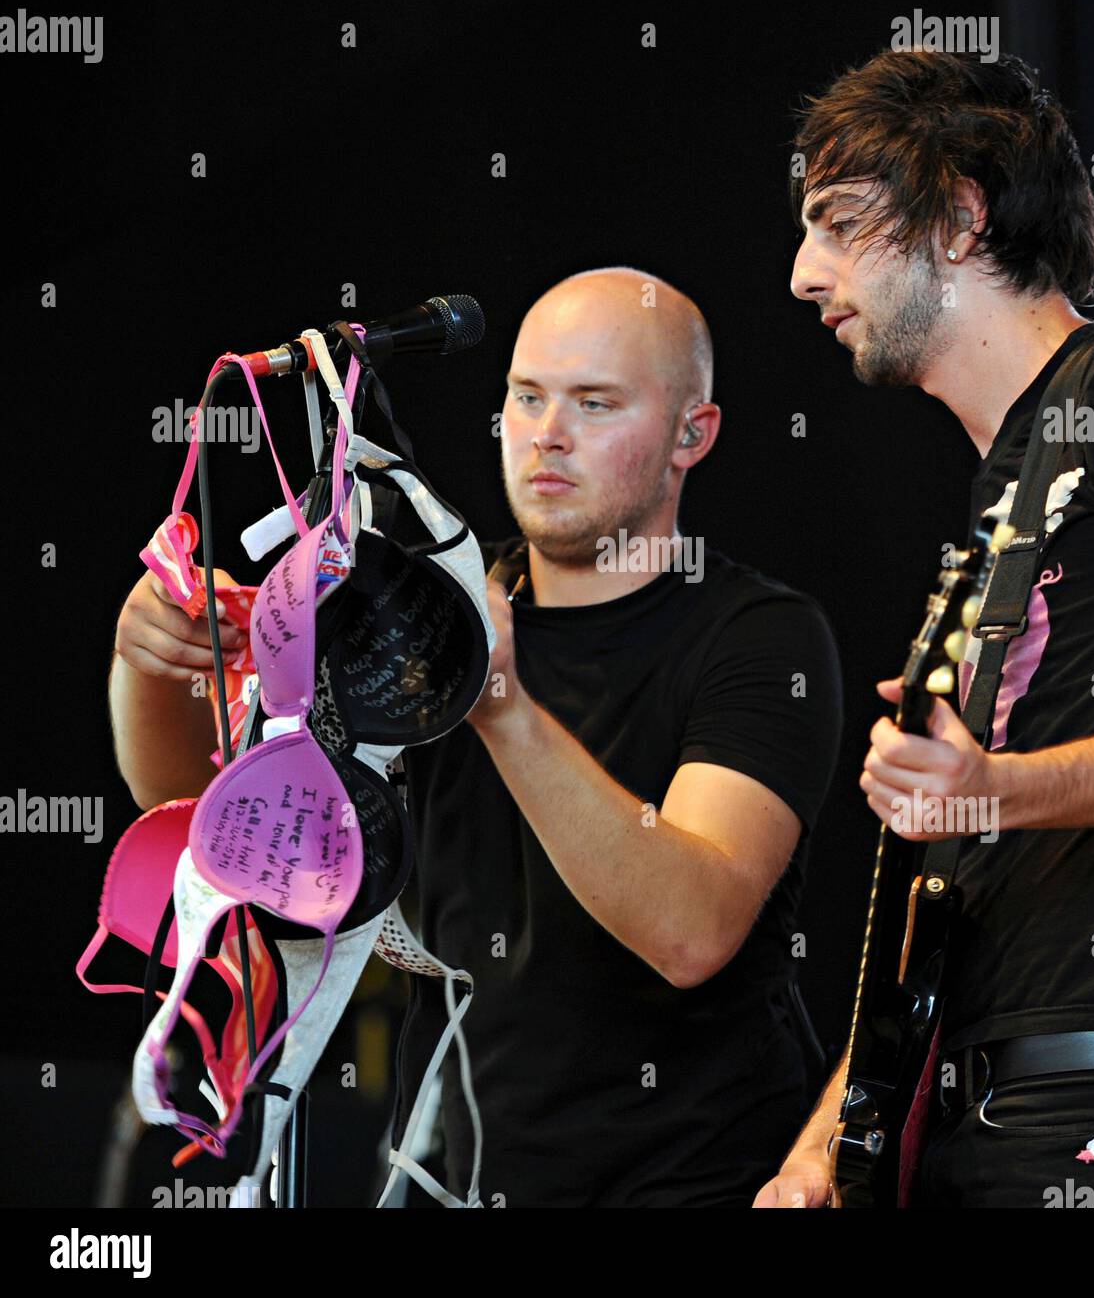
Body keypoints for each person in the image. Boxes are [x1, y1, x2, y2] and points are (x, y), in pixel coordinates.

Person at [110, 266, 844, 1208]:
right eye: (528, 395)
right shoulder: (421, 607)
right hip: (460, 1182)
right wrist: (151, 666)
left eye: (595, 402)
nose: (548, 432)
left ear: (690, 435)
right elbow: (224, 828)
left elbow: (689, 930)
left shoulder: (759, 637)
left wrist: (499, 704)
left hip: (702, 1183)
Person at [755, 49, 1094, 1209]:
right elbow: (944, 891)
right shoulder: (990, 515)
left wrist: (988, 787)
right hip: (975, 1121)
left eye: (838, 223)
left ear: (958, 217)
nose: (803, 274)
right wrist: (816, 1148)